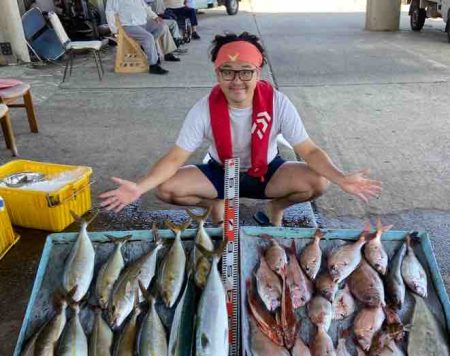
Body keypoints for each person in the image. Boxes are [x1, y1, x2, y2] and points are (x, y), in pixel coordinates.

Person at [100, 32, 382, 226]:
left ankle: (276, 207)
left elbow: (308, 149)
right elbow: (175, 157)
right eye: (228, 71)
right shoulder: (203, 108)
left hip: (268, 171)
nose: (237, 81)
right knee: (165, 188)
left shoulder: (278, 103)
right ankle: (215, 204)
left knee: (319, 181)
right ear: (217, 73)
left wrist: (341, 177)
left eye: (246, 71)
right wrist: (139, 188)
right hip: (220, 171)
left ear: (258, 73)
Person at [105, 0, 181, 75]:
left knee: (162, 26)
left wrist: (155, 17)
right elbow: (109, 12)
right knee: (148, 37)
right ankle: (153, 65)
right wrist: (114, 30)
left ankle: (147, 47)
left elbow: (146, 7)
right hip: (130, 26)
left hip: (143, 23)